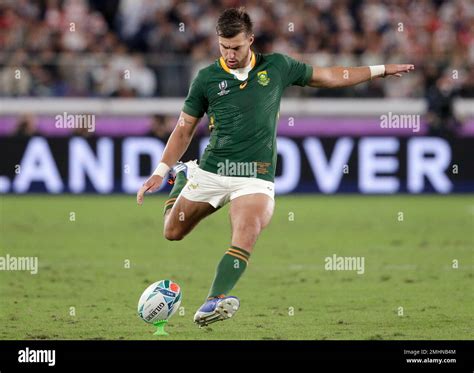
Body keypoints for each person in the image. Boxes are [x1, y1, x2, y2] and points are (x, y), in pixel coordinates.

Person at [136, 7, 414, 327]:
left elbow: (330, 76)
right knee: (173, 232)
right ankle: (183, 177)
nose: (229, 54)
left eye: (236, 47)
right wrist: (161, 171)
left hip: (255, 174)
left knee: (247, 230)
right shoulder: (206, 79)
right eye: (223, 47)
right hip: (212, 170)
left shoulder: (278, 67)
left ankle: (215, 299)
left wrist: (380, 69)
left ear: (251, 41)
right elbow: (184, 128)